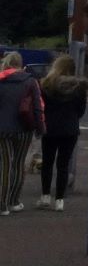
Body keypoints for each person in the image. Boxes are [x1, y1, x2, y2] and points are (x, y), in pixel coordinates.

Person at [36, 56, 87, 211]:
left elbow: (42, 106)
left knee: (48, 162)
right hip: (69, 129)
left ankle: (45, 196)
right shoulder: (79, 87)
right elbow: (81, 110)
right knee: (63, 164)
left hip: (50, 128)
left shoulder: (45, 84)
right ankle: (60, 200)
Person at [0, 51, 47, 216]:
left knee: (4, 165)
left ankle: (2, 205)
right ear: (20, 64)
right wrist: (40, 128)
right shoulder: (31, 82)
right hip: (24, 129)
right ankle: (14, 201)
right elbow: (37, 107)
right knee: (19, 164)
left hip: (2, 130)